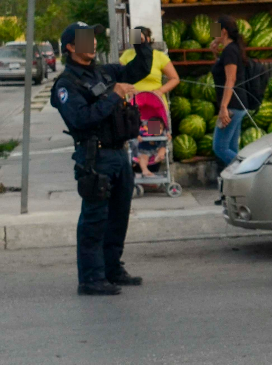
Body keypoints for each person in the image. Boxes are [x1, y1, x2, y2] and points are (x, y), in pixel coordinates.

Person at [50, 22, 153, 295]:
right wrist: (114, 96)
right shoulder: (67, 84)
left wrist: (140, 41)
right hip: (95, 156)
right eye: (85, 39)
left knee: (119, 216)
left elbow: (139, 69)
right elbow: (80, 119)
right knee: (95, 219)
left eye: (93, 38)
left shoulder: (104, 72)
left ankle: (112, 268)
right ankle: (91, 279)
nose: (93, 43)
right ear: (71, 47)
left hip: (119, 153)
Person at [120, 26, 179, 176]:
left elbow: (174, 79)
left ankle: (153, 174)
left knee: (154, 140)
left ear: (147, 39)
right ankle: (139, 173)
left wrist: (160, 91)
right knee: (137, 142)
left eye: (139, 38)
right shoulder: (127, 55)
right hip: (134, 107)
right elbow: (119, 78)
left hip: (153, 109)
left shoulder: (159, 56)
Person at [210, 16, 249, 167]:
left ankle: (248, 169)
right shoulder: (229, 50)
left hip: (232, 105)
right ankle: (237, 184)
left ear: (224, 32)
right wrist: (215, 54)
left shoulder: (230, 51)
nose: (213, 35)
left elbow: (230, 79)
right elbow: (222, 72)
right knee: (232, 148)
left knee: (220, 148)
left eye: (215, 31)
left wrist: (224, 107)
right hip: (236, 105)